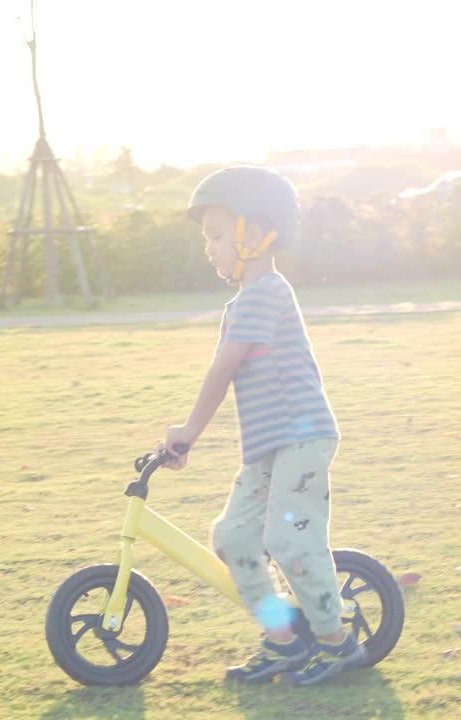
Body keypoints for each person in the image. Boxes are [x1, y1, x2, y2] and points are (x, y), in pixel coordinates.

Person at [156, 166, 363, 686]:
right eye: (208, 238)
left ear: (255, 233)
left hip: (302, 438)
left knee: (288, 540)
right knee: (233, 538)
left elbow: (223, 369)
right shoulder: (243, 302)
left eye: (218, 236)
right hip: (269, 446)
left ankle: (338, 643)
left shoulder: (267, 292)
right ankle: (284, 639)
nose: (210, 248)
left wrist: (188, 432)